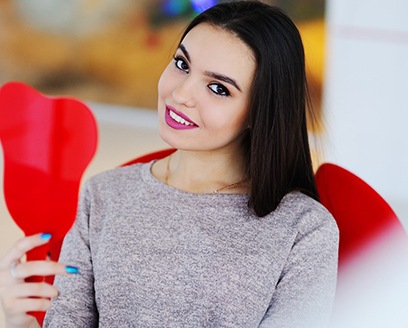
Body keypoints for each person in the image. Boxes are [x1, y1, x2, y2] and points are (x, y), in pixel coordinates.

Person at [0, 1, 339, 327]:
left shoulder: (304, 230)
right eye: (181, 64)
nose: (181, 94)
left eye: (218, 88)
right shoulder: (103, 195)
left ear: (259, 112)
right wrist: (21, 322)